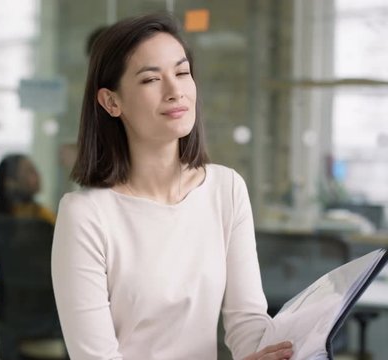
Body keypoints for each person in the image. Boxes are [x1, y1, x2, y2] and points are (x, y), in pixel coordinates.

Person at [50, 13, 294, 360]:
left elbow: (247, 322)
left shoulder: (226, 189)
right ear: (111, 102)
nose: (175, 90)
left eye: (182, 73)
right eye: (151, 79)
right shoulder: (85, 215)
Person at [0, 153, 55, 224]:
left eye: (35, 170)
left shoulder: (42, 213)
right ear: (10, 183)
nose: (38, 175)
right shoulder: (41, 216)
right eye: (29, 171)